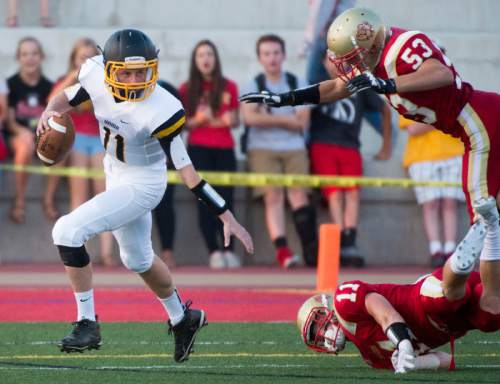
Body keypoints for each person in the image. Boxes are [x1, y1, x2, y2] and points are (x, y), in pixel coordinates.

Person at [240, 7, 499, 298]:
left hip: (480, 122)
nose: (352, 65)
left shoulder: (402, 46)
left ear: (371, 42)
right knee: (492, 217)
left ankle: (489, 303)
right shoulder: (374, 62)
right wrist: (288, 98)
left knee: (485, 220)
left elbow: (440, 74)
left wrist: (387, 84)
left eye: (353, 57)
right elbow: (337, 87)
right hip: (471, 128)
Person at [36, 29, 253, 362]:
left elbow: (188, 172)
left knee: (66, 231)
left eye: (142, 71)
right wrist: (48, 111)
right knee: (137, 259)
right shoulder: (95, 75)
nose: (136, 79)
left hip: (143, 183)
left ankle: (86, 322)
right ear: (108, 69)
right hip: (115, 170)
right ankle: (183, 318)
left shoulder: (161, 107)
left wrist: (225, 214)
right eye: (127, 72)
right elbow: (68, 97)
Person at [297, 208, 500, 373]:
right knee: (490, 317)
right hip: (454, 325)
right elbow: (448, 361)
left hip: (423, 298)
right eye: (317, 337)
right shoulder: (372, 359)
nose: (323, 336)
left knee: (448, 297)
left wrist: (403, 342)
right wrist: (414, 363)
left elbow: (383, 311)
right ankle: (489, 233)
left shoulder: (343, 301)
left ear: (325, 308)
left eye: (318, 327)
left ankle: (463, 256)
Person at [241, 34, 318, 268]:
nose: (272, 58)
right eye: (266, 54)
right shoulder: (253, 84)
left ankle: (310, 250)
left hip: (294, 147)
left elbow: (302, 123)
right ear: (260, 58)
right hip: (262, 148)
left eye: (275, 53)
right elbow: (249, 118)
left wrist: (268, 116)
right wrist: (286, 120)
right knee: (273, 196)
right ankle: (283, 251)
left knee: (299, 195)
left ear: (283, 55)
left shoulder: (297, 82)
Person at [309, 54, 392, 267]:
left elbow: (385, 109)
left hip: (350, 145)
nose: (335, 64)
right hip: (323, 145)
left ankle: (350, 240)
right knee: (335, 194)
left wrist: (386, 146)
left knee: (353, 192)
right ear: (323, 64)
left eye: (339, 59)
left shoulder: (359, 86)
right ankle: (340, 240)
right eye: (329, 59)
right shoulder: (318, 86)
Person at [49, 38, 116, 267]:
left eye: (90, 57)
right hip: (76, 140)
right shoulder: (66, 80)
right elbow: (51, 103)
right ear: (73, 60)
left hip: (99, 141)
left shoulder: (102, 82)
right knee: (79, 195)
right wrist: (73, 76)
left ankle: (107, 253)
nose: (86, 61)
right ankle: (80, 251)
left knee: (103, 195)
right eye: (81, 57)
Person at [179, 40, 241, 269]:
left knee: (227, 199)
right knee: (205, 201)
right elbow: (184, 124)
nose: (206, 59)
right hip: (198, 149)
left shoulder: (229, 86)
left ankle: (229, 250)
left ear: (216, 59)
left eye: (210, 54)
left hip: (225, 148)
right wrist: (200, 120)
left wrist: (228, 120)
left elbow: (234, 120)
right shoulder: (186, 89)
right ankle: (213, 250)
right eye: (201, 55)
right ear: (195, 61)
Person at [7, 37, 60, 224]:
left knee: (59, 147)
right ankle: (20, 199)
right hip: (17, 135)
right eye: (25, 54)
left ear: (41, 56)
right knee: (26, 145)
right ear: (18, 58)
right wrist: (22, 132)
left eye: (34, 53)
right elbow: (10, 122)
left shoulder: (48, 86)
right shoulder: (11, 84)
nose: (30, 58)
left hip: (41, 135)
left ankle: (48, 199)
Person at [400, 116, 465, 267]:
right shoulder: (408, 97)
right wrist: (443, 119)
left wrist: (430, 120)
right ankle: (435, 250)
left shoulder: (454, 93)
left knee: (450, 203)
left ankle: (450, 250)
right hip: (422, 156)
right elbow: (414, 129)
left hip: (453, 153)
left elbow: (461, 121)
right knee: (430, 204)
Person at [153, 79, 182, 269]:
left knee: (165, 204)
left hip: (164, 156)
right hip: (133, 163)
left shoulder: (168, 92)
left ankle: (167, 252)